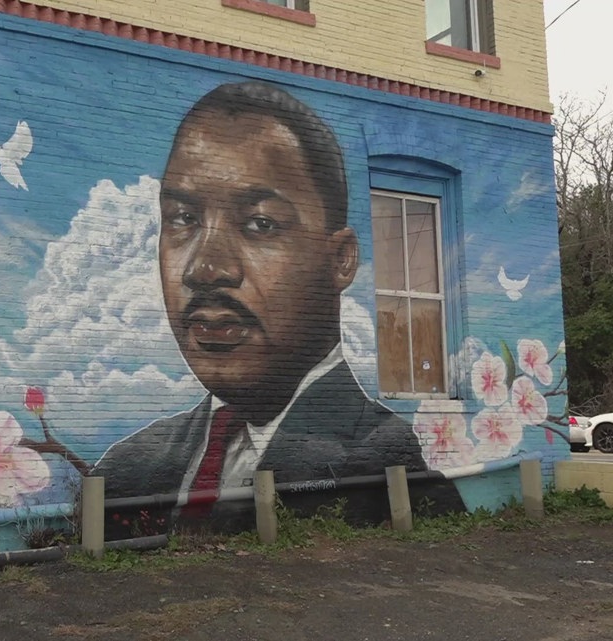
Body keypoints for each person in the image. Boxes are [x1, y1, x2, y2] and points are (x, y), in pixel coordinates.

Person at [91, 81, 464, 535]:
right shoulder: (126, 468)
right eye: (184, 219)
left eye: (260, 224)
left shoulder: (380, 462)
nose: (206, 269)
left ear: (340, 260)